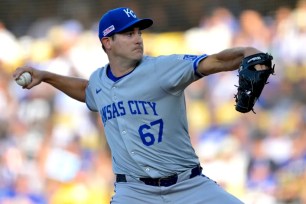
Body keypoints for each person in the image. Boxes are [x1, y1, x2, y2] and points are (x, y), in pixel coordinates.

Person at [13, 7, 269, 204]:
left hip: (188, 186)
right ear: (107, 42)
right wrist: (46, 76)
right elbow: (88, 91)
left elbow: (213, 62)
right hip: (134, 192)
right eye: (128, 33)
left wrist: (246, 51)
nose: (137, 39)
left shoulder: (163, 68)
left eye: (139, 32)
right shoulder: (100, 81)